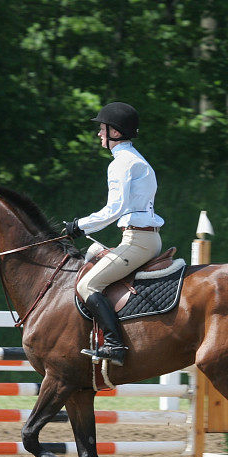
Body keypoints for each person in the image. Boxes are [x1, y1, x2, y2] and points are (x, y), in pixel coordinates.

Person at [65, 102, 164, 366]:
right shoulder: (136, 159)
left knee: (88, 285)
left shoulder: (122, 164)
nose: (99, 134)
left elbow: (114, 209)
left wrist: (79, 226)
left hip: (138, 241)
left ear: (116, 132)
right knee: (92, 254)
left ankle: (115, 345)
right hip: (142, 238)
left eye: (102, 129)